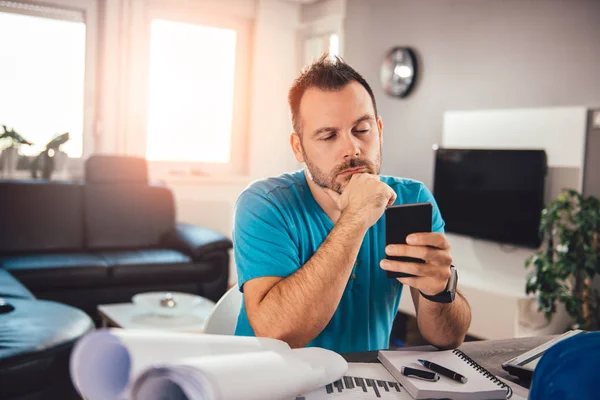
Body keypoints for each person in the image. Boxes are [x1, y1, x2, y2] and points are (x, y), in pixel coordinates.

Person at [233, 55, 471, 353]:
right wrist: (356, 217)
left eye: (362, 130)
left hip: (367, 384)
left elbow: (448, 338)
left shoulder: (412, 199)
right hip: (271, 382)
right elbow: (277, 334)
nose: (352, 148)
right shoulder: (264, 204)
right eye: (328, 135)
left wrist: (440, 290)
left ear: (379, 131)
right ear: (299, 147)